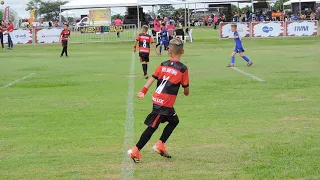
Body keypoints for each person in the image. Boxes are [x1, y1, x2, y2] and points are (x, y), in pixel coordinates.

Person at [127, 38, 190, 163]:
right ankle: (135, 149)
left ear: (169, 52)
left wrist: (143, 91)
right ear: (182, 51)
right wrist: (185, 92)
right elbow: (186, 89)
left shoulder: (163, 64)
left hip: (159, 99)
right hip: (164, 103)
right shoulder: (183, 69)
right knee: (152, 127)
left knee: (174, 120)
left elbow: (153, 78)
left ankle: (160, 144)